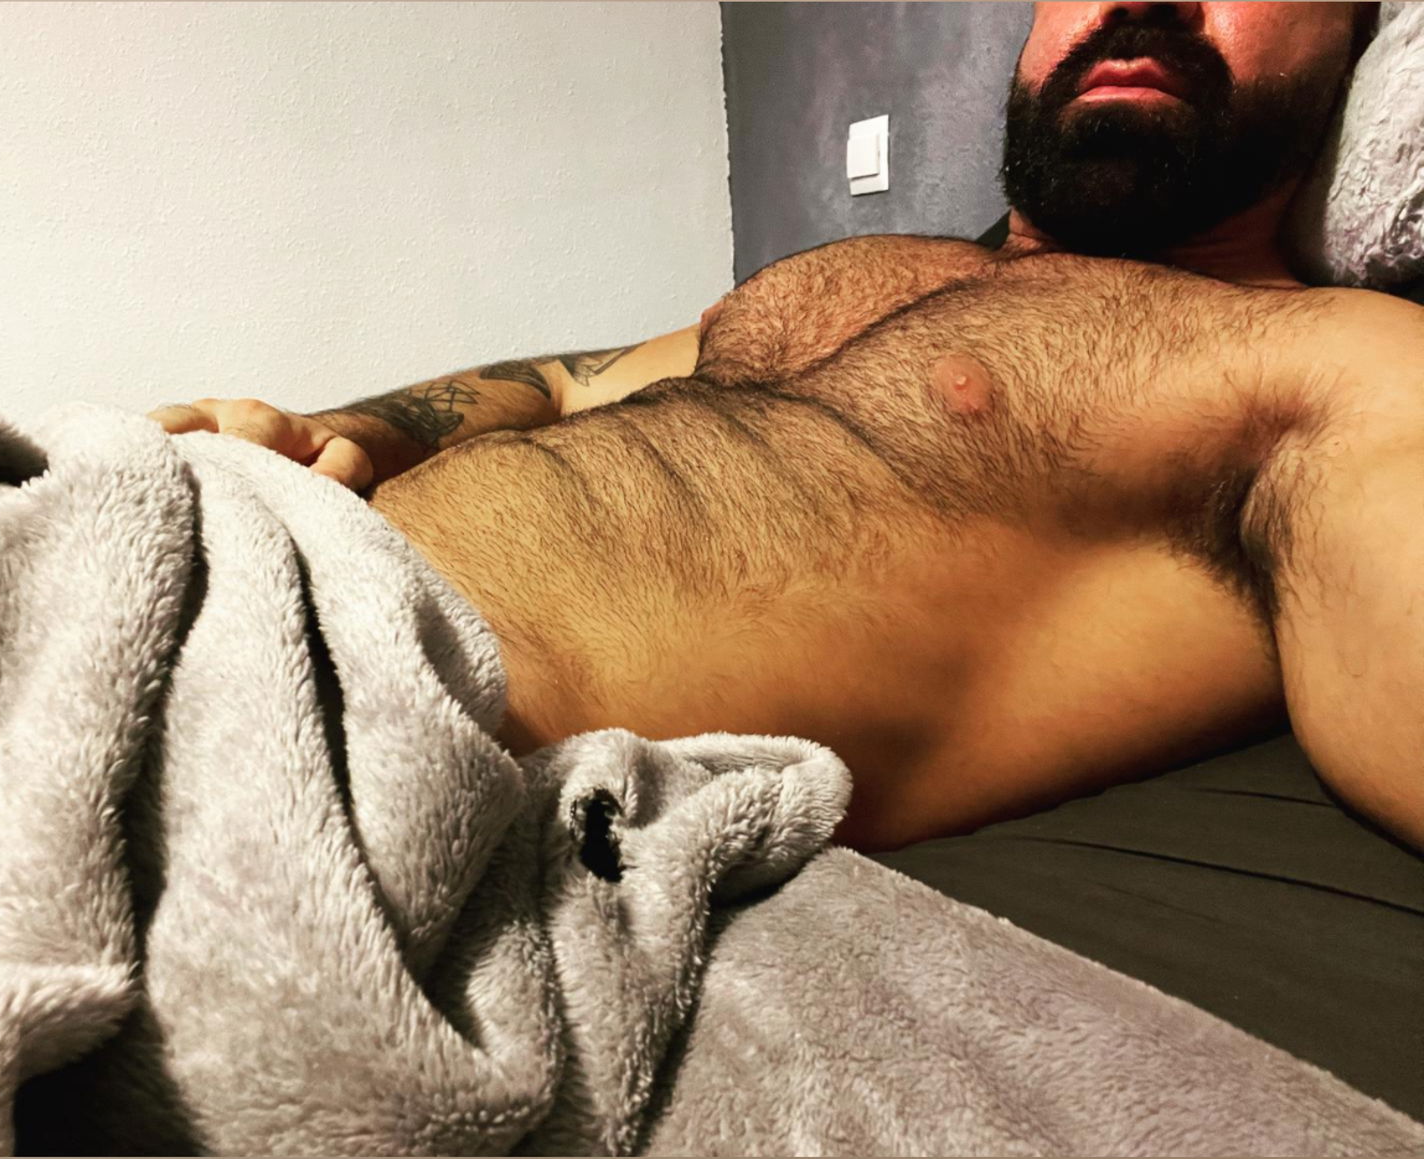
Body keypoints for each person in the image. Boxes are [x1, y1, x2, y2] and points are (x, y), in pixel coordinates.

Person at [151, 1, 1422, 854]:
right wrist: (353, 427)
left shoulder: (1323, 356)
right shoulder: (853, 271)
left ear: (1351, 45)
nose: (1142, 0)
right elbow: (567, 382)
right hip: (216, 558)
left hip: (354, 743)